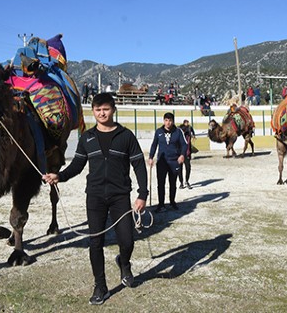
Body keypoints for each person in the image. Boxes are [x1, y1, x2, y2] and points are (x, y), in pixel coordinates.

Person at [42, 93, 148, 305]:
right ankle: (100, 286)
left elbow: (139, 165)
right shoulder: (87, 137)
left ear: (113, 110)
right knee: (95, 242)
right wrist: (59, 176)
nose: (102, 113)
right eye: (98, 109)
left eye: (106, 109)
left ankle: (124, 263)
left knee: (127, 241)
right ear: (93, 112)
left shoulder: (126, 136)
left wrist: (142, 194)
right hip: (95, 197)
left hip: (120, 196)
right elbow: (77, 166)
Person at [149, 112, 187, 212]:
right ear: (164, 121)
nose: (168, 123)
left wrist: (182, 155)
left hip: (174, 161)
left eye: (170, 120)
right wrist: (150, 157)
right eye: (166, 120)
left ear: (173, 121)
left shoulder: (178, 131)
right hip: (162, 162)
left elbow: (184, 145)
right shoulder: (158, 131)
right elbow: (154, 145)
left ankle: (172, 202)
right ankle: (161, 204)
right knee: (160, 183)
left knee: (173, 183)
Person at [178, 119, 196, 189]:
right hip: (179, 152)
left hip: (187, 152)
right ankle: (181, 182)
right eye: (186, 122)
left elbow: (192, 131)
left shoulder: (189, 128)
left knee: (188, 167)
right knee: (179, 168)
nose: (187, 124)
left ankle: (187, 181)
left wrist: (193, 135)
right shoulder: (179, 129)